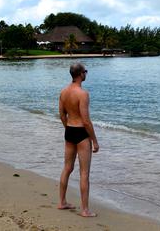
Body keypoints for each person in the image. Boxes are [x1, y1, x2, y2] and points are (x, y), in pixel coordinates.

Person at [58, 62, 99, 217]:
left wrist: (67, 128)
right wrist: (94, 140)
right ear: (81, 74)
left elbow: (62, 114)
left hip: (69, 131)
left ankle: (62, 202)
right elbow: (86, 120)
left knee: (67, 168)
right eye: (85, 71)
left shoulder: (63, 92)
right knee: (84, 173)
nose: (86, 74)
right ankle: (85, 210)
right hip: (81, 132)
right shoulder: (83, 94)